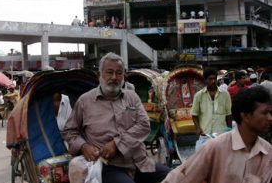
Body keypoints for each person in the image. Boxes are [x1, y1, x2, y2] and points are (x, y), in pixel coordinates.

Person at [63, 52, 170, 183]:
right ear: (99, 75)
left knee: (177, 177)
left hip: (140, 162)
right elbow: (69, 131)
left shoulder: (132, 97)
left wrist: (117, 143)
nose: (114, 77)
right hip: (109, 166)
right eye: (109, 72)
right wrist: (83, 146)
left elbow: (144, 125)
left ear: (123, 76)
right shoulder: (85, 101)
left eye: (119, 73)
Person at [162, 86, 272, 183]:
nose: (270, 118)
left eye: (270, 113)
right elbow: (180, 178)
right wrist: (198, 128)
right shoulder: (215, 148)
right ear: (246, 116)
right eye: (264, 113)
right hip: (207, 132)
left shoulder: (268, 152)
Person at [191, 67, 232, 150]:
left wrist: (229, 131)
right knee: (204, 161)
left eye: (214, 79)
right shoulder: (199, 95)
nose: (213, 81)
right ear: (205, 80)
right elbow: (194, 114)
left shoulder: (225, 94)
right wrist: (198, 128)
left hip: (221, 134)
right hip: (205, 134)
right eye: (210, 79)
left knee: (221, 161)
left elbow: (229, 115)